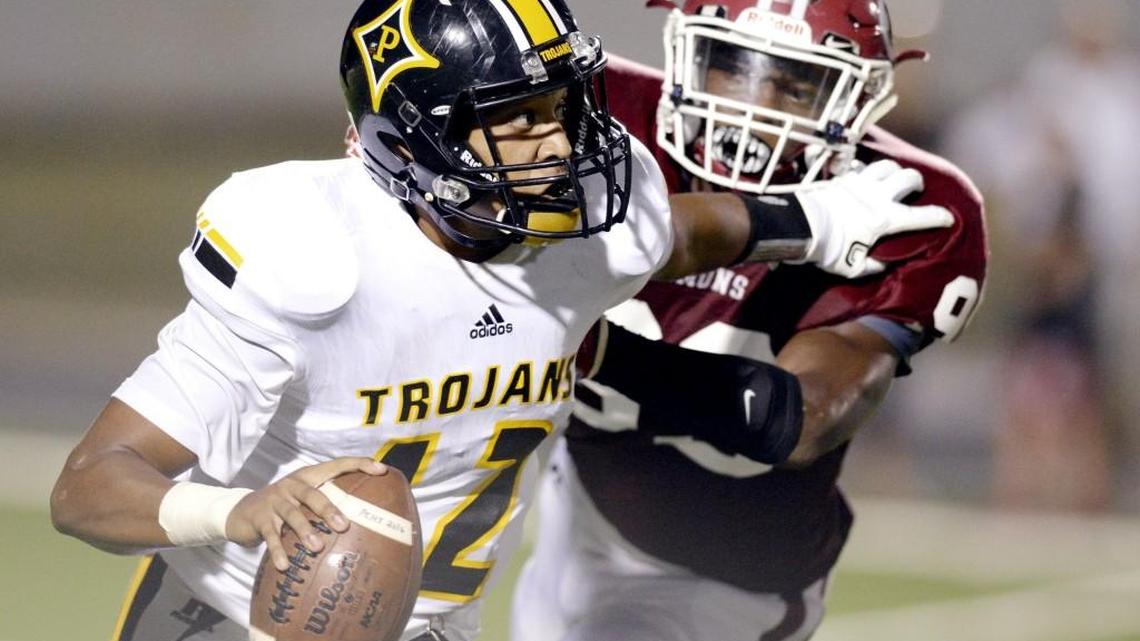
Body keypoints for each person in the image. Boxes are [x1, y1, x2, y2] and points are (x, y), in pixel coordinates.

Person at [49, 1, 951, 641]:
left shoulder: (585, 227)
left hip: (435, 621)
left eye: (560, 106)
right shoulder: (312, 262)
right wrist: (237, 509)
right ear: (414, 149)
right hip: (239, 617)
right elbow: (89, 485)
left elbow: (673, 232)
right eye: (516, 121)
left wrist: (816, 220)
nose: (558, 145)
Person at [512, 1, 989, 641]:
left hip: (726, 580)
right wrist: (800, 224)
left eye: (796, 84)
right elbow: (650, 239)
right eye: (729, 66)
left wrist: (592, 352)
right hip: (578, 506)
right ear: (685, 55)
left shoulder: (911, 205)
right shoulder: (598, 112)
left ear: (855, 102)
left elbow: (803, 420)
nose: (752, 106)